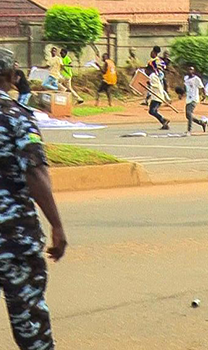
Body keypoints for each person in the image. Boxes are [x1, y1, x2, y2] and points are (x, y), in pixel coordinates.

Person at [0, 47, 68, 350]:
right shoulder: (17, 118)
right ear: (12, 76)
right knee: (30, 325)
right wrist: (57, 225)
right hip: (13, 239)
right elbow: (35, 174)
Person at [183, 67, 208, 134]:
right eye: (188, 69)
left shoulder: (196, 79)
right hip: (188, 98)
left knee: (189, 113)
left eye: (191, 69)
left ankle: (189, 129)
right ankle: (202, 123)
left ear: (193, 71)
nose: (189, 70)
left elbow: (202, 87)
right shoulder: (185, 78)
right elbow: (185, 86)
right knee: (187, 116)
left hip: (194, 98)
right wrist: (182, 93)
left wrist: (204, 95)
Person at [145, 65, 170, 130]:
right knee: (153, 111)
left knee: (152, 111)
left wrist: (149, 83)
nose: (145, 72)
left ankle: (164, 120)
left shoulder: (153, 76)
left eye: (146, 70)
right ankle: (164, 124)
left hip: (157, 97)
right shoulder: (151, 76)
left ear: (149, 70)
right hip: (155, 96)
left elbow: (156, 85)